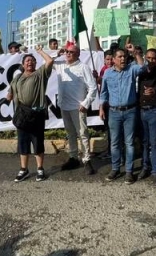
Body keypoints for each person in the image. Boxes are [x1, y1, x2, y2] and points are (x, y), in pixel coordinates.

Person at [7, 45, 54, 182]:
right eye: (27, 61)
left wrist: (39, 51)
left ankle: (40, 169)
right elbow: (10, 94)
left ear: (35, 63)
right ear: (22, 64)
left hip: (36, 114)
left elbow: (50, 61)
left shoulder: (40, 74)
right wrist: (7, 98)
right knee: (23, 143)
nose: (29, 62)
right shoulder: (16, 78)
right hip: (21, 115)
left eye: (32, 61)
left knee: (37, 142)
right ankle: (24, 169)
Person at [99, 44, 144, 184]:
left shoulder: (132, 69)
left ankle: (129, 171)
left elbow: (143, 67)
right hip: (113, 112)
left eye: (124, 56)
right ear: (113, 59)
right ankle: (115, 168)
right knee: (114, 143)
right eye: (120, 57)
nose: (123, 59)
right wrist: (101, 108)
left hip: (130, 111)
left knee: (129, 143)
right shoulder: (107, 73)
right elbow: (104, 92)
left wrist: (135, 53)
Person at [54, 44, 98, 175]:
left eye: (71, 52)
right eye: (66, 51)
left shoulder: (83, 67)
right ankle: (73, 158)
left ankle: (86, 159)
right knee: (70, 133)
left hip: (78, 107)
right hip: (64, 106)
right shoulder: (60, 65)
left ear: (78, 54)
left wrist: (86, 103)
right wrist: (57, 53)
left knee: (82, 134)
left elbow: (93, 87)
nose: (67, 54)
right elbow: (48, 61)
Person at [137, 48, 156, 186]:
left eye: (154, 58)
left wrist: (154, 90)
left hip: (154, 111)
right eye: (148, 58)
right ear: (145, 57)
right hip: (141, 111)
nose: (151, 60)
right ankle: (145, 167)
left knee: (154, 143)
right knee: (144, 142)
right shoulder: (140, 72)